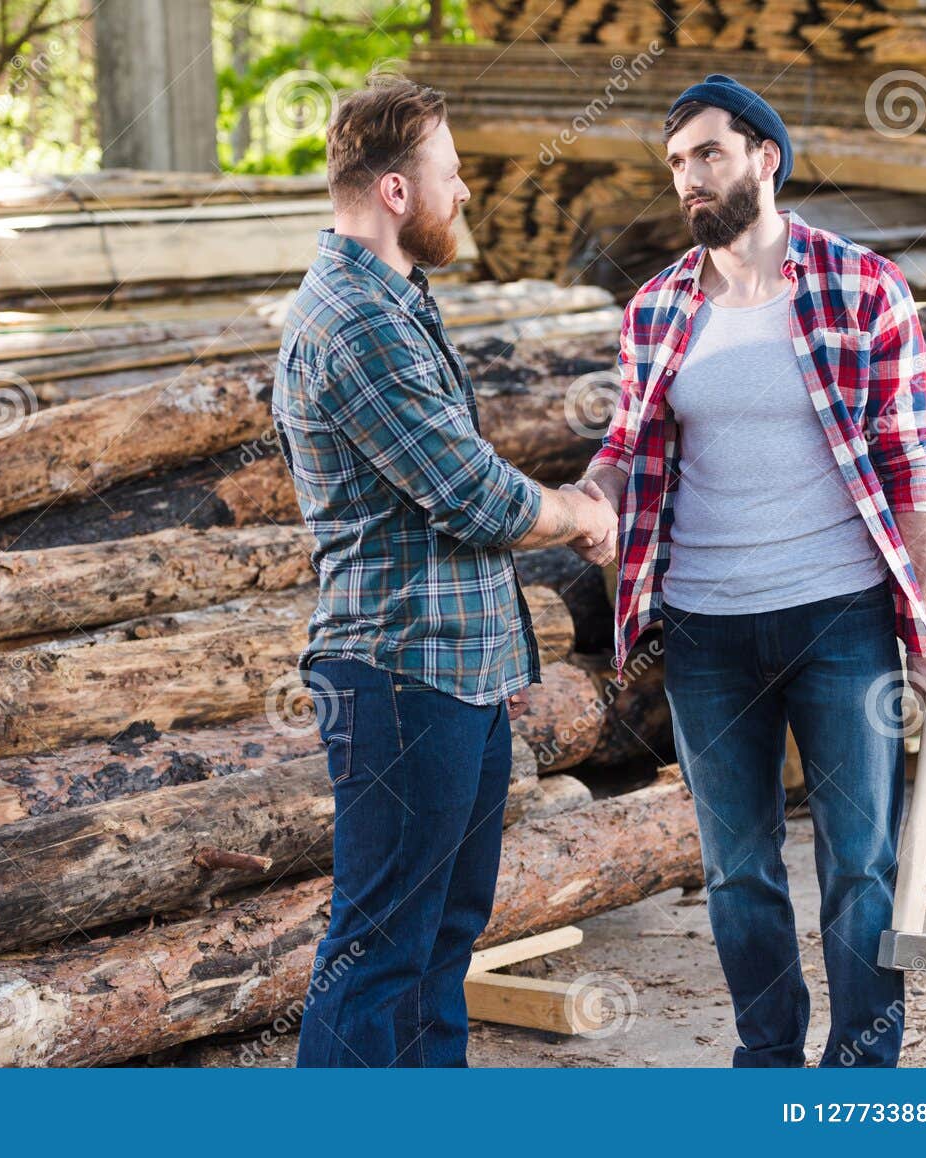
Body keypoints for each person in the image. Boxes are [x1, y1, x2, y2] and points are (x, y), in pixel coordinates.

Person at [570, 74, 926, 1068]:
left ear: (763, 158)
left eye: (707, 153)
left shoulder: (861, 286)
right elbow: (621, 446)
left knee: (860, 867)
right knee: (738, 869)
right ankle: (767, 1067)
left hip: (840, 620)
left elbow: (914, 478)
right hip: (706, 630)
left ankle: (860, 1077)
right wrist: (589, 499)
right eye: (675, 164)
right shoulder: (656, 309)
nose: (689, 178)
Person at [271, 75, 617, 1067]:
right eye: (451, 175)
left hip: (452, 667)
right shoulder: (356, 322)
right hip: (399, 673)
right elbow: (470, 494)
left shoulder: (393, 299)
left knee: (440, 939)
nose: (462, 193)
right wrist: (579, 515)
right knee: (381, 948)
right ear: (393, 190)